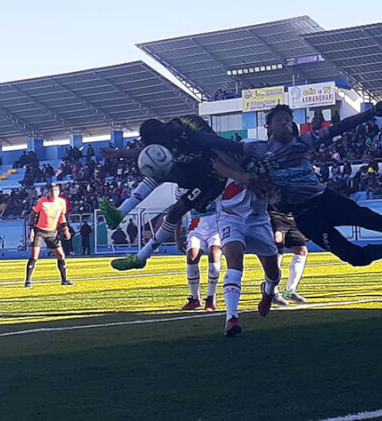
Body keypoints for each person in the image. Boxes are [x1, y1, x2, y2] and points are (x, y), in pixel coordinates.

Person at [187, 103, 382, 266]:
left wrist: (370, 113)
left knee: (379, 221)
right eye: (279, 120)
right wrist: (189, 136)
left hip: (327, 200)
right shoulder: (256, 150)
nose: (284, 124)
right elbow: (222, 145)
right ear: (269, 127)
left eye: (288, 120)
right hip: (304, 217)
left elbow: (340, 127)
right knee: (355, 258)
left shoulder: (304, 142)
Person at [101, 116, 262, 272]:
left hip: (211, 177)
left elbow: (217, 146)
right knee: (159, 170)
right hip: (194, 168)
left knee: (174, 210)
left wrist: (240, 171)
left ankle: (141, 257)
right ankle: (120, 214)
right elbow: (147, 150)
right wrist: (119, 153)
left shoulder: (189, 131)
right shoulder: (166, 135)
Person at [211, 149, 281, 337]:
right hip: (230, 216)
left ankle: (268, 291)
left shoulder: (276, 162)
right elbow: (218, 163)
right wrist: (239, 175)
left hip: (258, 220)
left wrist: (275, 200)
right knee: (234, 261)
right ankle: (231, 318)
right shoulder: (242, 151)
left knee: (273, 273)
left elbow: (279, 194)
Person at [24, 183, 74, 288]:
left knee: (61, 255)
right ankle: (28, 281)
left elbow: (62, 216)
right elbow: (33, 215)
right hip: (40, 232)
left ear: (59, 192)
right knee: (34, 256)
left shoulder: (61, 202)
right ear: (48, 192)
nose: (53, 192)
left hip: (52, 232)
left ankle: (64, 280)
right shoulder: (42, 202)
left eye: (56, 190)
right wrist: (31, 229)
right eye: (51, 191)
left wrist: (66, 229)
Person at [178, 201, 222, 312]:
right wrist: (177, 237)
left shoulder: (216, 184)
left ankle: (211, 297)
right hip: (196, 229)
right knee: (192, 256)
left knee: (214, 254)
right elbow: (177, 211)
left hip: (217, 227)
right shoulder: (182, 189)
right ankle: (195, 298)